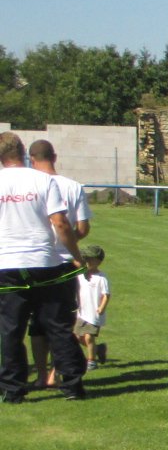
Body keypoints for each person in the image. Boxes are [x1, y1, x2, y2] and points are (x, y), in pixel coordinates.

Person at [0, 132, 85, 402]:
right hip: (44, 262)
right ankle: (71, 385)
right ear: (22, 152)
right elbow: (60, 223)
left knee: (10, 330)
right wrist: (76, 255)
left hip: (7, 264)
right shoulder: (43, 180)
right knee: (57, 326)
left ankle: (13, 390)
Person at [25, 139, 90, 388]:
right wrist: (70, 243)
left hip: (33, 260)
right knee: (60, 322)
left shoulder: (29, 184)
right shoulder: (73, 186)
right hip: (64, 262)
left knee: (36, 324)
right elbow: (82, 227)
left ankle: (42, 375)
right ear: (54, 156)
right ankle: (57, 373)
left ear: (31, 159)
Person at [75, 244, 109, 370]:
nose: (87, 261)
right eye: (86, 259)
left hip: (94, 313)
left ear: (98, 261)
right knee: (77, 337)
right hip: (81, 312)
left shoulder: (101, 277)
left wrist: (102, 308)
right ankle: (98, 349)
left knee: (89, 337)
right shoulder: (80, 275)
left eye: (90, 259)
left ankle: (91, 361)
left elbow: (106, 295)